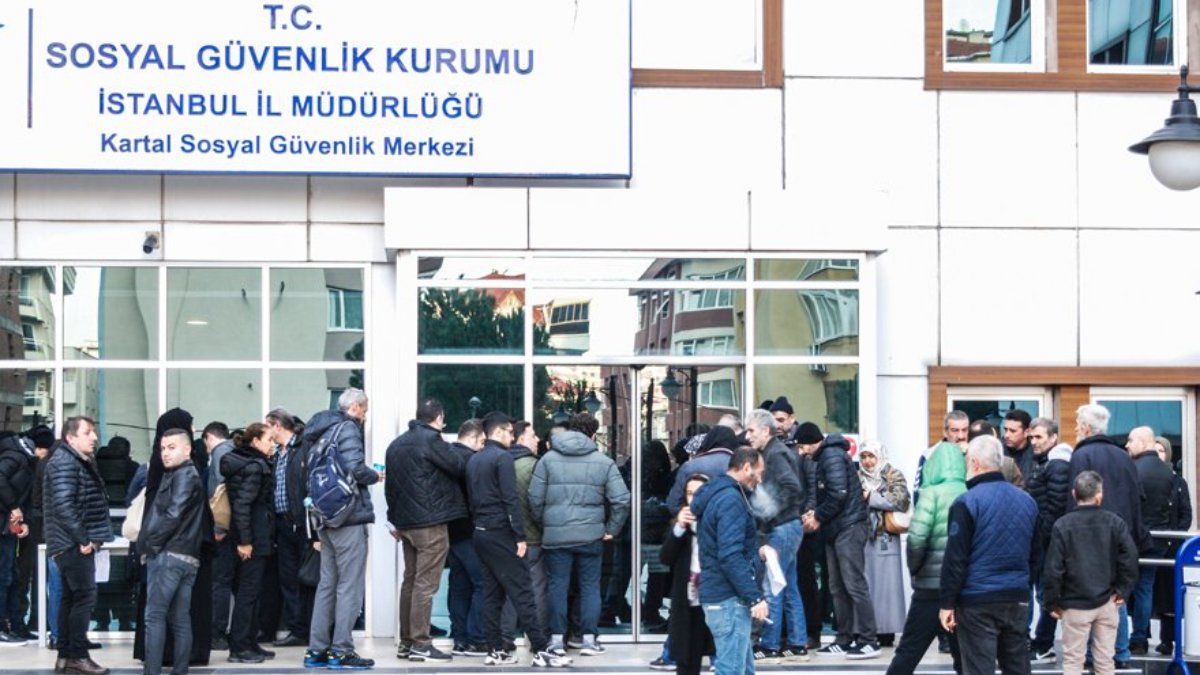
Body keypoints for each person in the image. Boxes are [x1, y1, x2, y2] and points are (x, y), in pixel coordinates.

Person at [465, 412, 569, 668]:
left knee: (492, 593)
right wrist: (520, 536)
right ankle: (541, 650)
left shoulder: (474, 459)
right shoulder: (502, 458)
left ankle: (495, 649)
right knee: (523, 591)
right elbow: (510, 499)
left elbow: (472, 500)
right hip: (502, 533)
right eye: (510, 432)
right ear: (499, 432)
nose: (513, 438)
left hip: (481, 532)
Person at [531, 412, 630, 657]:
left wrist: (546, 523)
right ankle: (588, 640)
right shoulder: (603, 462)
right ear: (593, 435)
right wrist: (612, 529)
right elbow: (621, 500)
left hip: (556, 537)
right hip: (591, 536)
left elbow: (534, 498)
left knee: (557, 586)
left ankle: (556, 640)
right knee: (590, 587)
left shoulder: (547, 460)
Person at [939, 434, 1037, 675]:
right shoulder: (1028, 501)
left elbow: (956, 558)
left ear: (974, 462)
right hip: (1016, 596)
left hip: (977, 600)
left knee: (979, 669)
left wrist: (947, 603)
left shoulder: (966, 502)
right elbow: (1036, 554)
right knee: (1017, 667)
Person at [302, 388, 381, 670]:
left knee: (327, 585)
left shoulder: (321, 431)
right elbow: (356, 469)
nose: (365, 416)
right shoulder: (347, 428)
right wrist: (375, 475)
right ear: (355, 407)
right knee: (349, 586)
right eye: (365, 410)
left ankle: (316, 650)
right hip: (348, 518)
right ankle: (341, 651)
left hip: (325, 516)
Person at [1068, 404, 1151, 669]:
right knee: (1117, 597)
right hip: (1120, 534)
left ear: (1086, 428)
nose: (1076, 428)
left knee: (1088, 595)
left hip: (1089, 536)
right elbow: (1136, 499)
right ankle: (1121, 653)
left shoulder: (1082, 455)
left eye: (1077, 424)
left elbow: (1074, 499)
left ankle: (1091, 655)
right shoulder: (1123, 456)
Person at [384, 397, 466, 663]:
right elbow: (458, 466)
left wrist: (393, 520)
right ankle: (421, 643)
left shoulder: (396, 444)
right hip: (430, 523)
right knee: (425, 585)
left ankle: (406, 643)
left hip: (405, 524)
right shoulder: (431, 440)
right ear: (439, 418)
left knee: (410, 582)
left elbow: (390, 486)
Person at [1042, 471, 1139, 675]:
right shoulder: (1114, 522)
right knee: (1105, 661)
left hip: (1073, 603)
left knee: (1073, 662)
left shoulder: (1062, 525)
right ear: (1099, 495)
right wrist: (1123, 589)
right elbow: (1130, 558)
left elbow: (1054, 569)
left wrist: (1051, 601)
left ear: (1073, 494)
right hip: (1107, 600)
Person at [886, 441, 965, 675]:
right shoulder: (969, 491)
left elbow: (917, 539)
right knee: (963, 654)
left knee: (910, 649)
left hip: (930, 587)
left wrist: (916, 570)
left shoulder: (930, 494)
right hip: (962, 587)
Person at [690, 445, 769, 675]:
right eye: (759, 472)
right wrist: (754, 597)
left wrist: (757, 552)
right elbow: (730, 555)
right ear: (746, 467)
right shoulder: (730, 500)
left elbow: (726, 547)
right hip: (728, 598)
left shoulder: (721, 494)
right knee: (732, 670)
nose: (760, 479)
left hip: (723, 596)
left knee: (742, 669)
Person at [45, 417, 113, 675]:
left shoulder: (74, 460)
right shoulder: (65, 462)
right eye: (87, 432)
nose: (94, 437)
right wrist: (84, 539)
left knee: (71, 598)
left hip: (69, 542)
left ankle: (65, 656)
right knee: (84, 597)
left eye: (93, 432)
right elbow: (64, 506)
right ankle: (78, 656)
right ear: (70, 438)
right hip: (72, 543)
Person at [804, 432, 877, 658]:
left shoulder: (832, 455)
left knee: (854, 584)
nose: (802, 452)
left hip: (848, 527)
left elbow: (838, 494)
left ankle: (868, 640)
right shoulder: (825, 457)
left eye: (803, 446)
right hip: (836, 528)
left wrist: (818, 516)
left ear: (813, 442)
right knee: (837, 587)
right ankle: (844, 638)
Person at [743, 409, 807, 663]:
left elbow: (793, 487)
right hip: (787, 526)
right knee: (788, 585)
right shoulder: (774, 452)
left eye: (751, 430)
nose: (748, 436)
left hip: (782, 527)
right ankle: (797, 643)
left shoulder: (775, 454)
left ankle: (770, 645)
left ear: (765, 430)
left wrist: (769, 512)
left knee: (773, 586)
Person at [140, 428, 204, 675]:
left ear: (187, 449)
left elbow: (173, 515)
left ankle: (152, 672)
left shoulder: (184, 475)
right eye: (163, 448)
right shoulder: (185, 474)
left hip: (170, 554)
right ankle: (179, 671)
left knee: (155, 616)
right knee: (179, 619)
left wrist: (153, 545)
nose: (165, 453)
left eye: (171, 447)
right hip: (185, 555)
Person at [219, 424, 276, 664]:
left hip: (251, 536)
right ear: (255, 441)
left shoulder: (243, 462)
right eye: (269, 440)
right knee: (248, 594)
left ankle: (249, 642)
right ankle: (240, 647)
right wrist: (245, 541)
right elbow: (242, 505)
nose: (272, 444)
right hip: (252, 539)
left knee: (252, 593)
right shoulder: (254, 467)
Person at [1025, 417, 1072, 663]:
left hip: (1049, 541)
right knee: (1045, 593)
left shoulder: (1056, 464)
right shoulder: (1043, 462)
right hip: (1043, 539)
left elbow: (1055, 506)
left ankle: (1043, 644)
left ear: (1053, 438)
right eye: (1032, 437)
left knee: (1047, 593)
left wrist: (1042, 536)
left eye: (1039, 437)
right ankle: (1042, 643)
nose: (1034, 442)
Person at [263, 409, 310, 647]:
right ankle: (296, 629)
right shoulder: (278, 454)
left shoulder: (303, 448)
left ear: (277, 426)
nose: (266, 431)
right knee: (288, 579)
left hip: (301, 524)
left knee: (306, 579)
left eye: (268, 426)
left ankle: (308, 628)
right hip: (282, 525)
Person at [1125, 425, 1174, 656]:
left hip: (1134, 538)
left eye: (1131, 440)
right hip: (1159, 539)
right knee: (1145, 588)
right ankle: (1140, 639)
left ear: (1143, 442)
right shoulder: (1167, 472)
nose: (1127, 445)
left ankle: (1123, 641)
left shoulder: (1132, 469)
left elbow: (1129, 506)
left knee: (1122, 590)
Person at [500, 420, 547, 651]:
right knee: (536, 588)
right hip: (533, 537)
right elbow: (539, 504)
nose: (537, 439)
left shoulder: (502, 464)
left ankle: (505, 637)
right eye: (532, 435)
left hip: (507, 538)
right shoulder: (535, 466)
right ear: (520, 439)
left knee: (510, 590)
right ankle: (538, 638)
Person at [857, 441, 910, 648]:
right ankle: (867, 630)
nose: (867, 461)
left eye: (871, 456)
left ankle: (886, 631)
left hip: (885, 536)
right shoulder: (857, 476)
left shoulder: (893, 475)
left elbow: (900, 500)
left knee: (887, 588)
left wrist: (871, 497)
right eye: (864, 456)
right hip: (862, 537)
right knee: (866, 586)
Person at [661, 473, 715, 675]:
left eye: (698, 493)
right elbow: (666, 557)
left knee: (717, 649)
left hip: (713, 595)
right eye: (690, 493)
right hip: (688, 596)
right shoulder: (681, 524)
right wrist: (679, 527)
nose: (693, 498)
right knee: (686, 654)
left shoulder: (717, 520)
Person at [446, 419, 488, 656]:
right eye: (482, 442)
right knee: (482, 584)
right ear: (472, 437)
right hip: (471, 530)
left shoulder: (445, 457)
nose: (483, 447)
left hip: (451, 531)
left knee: (459, 586)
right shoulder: (472, 461)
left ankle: (459, 638)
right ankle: (477, 639)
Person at [1153, 436, 1191, 655]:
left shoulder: (1178, 482)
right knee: (1146, 591)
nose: (1158, 454)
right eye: (1154, 450)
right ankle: (1140, 637)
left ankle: (1167, 639)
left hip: (1171, 547)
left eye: (1161, 450)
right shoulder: (1142, 477)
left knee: (1169, 595)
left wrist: (1176, 537)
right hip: (1150, 545)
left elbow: (1186, 513)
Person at [200, 421, 235, 652]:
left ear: (209, 438)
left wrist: (219, 528)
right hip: (234, 529)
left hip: (223, 529)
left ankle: (217, 633)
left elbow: (219, 494)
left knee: (219, 582)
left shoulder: (219, 453)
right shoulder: (233, 450)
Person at [0, 430, 37, 643]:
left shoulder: (22, 458)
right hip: (3, 526)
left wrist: (22, 521)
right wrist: (14, 506)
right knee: (5, 576)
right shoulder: (15, 457)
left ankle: (16, 625)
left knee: (12, 576)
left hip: (9, 526)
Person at [666, 425, 738, 514]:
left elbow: (673, 504)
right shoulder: (742, 466)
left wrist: (685, 514)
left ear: (708, 441)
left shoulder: (690, 466)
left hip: (696, 520)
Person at [1002, 409, 1035, 488]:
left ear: (1026, 432)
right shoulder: (997, 453)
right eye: (1005, 430)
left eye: (1012, 431)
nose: (1007, 435)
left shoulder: (1036, 455)